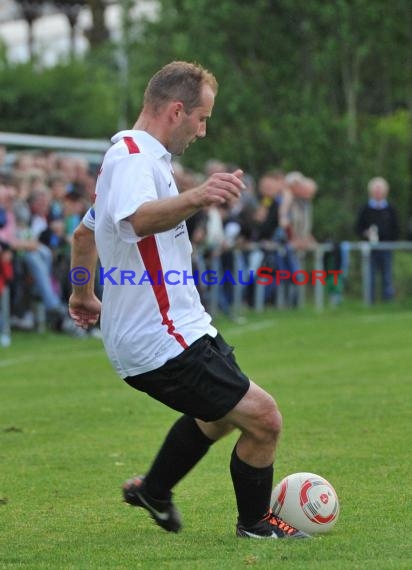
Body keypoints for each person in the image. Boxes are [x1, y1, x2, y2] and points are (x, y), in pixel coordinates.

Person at [69, 61, 310, 539]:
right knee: (264, 420)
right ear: (176, 110)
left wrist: (83, 293)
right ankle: (256, 524)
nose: (202, 131)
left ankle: (154, 490)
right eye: (202, 118)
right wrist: (197, 196)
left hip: (177, 327)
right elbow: (139, 220)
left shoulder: (130, 157)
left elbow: (83, 236)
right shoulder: (136, 159)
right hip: (163, 336)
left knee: (218, 417)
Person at [355, 177, 400, 302]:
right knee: (370, 276)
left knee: (387, 277)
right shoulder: (365, 208)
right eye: (376, 190)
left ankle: (388, 302)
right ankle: (370, 302)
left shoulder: (391, 209)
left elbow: (396, 228)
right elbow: (358, 228)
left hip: (386, 248)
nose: (378, 193)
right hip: (370, 249)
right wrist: (366, 234)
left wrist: (390, 241)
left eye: (380, 190)